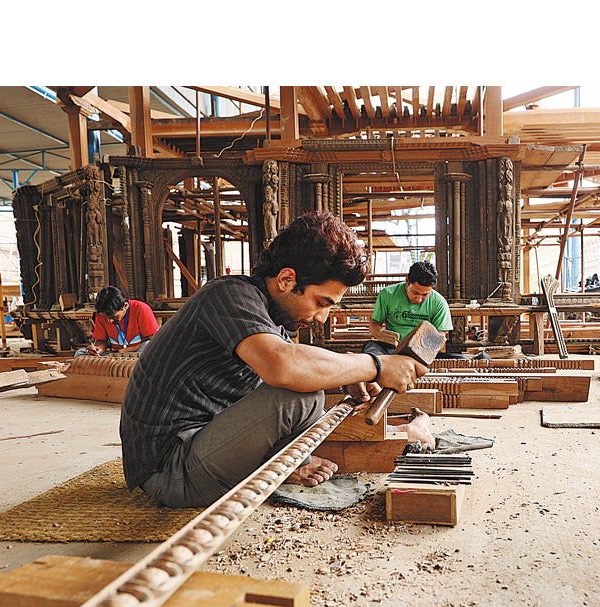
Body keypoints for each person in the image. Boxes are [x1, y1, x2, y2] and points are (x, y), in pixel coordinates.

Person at [119, 211, 429, 508]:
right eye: (321, 302)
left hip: (194, 450)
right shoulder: (228, 295)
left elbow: (291, 365)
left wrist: (347, 378)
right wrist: (375, 365)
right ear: (286, 279)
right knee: (300, 395)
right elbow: (285, 366)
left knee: (309, 385)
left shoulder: (270, 317)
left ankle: (286, 466)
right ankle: (285, 468)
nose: (322, 318)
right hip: (170, 470)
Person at [363, 260, 479, 360]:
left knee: (461, 359)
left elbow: (440, 336)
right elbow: (374, 325)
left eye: (425, 295)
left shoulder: (439, 302)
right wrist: (382, 334)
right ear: (407, 280)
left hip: (423, 353)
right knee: (370, 349)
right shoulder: (388, 294)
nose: (419, 299)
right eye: (415, 293)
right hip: (392, 350)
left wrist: (421, 349)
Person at [76, 286, 160, 356]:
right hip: (115, 355)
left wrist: (127, 350)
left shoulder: (141, 309)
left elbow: (154, 341)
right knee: (79, 354)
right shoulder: (101, 314)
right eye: (106, 317)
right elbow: (101, 341)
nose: (109, 321)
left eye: (113, 317)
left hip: (137, 354)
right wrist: (98, 349)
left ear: (125, 306)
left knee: (149, 346)